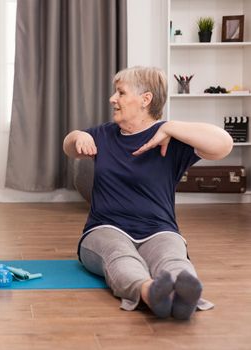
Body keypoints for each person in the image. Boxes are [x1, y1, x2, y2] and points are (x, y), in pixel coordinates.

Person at [63, 66, 233, 320]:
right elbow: (69, 147)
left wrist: (171, 127)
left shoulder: (172, 139)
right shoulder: (105, 134)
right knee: (120, 256)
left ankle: (182, 294)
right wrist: (78, 136)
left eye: (120, 92)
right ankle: (149, 292)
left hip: (159, 229)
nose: (112, 99)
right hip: (105, 228)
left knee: (173, 259)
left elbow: (224, 144)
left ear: (145, 100)